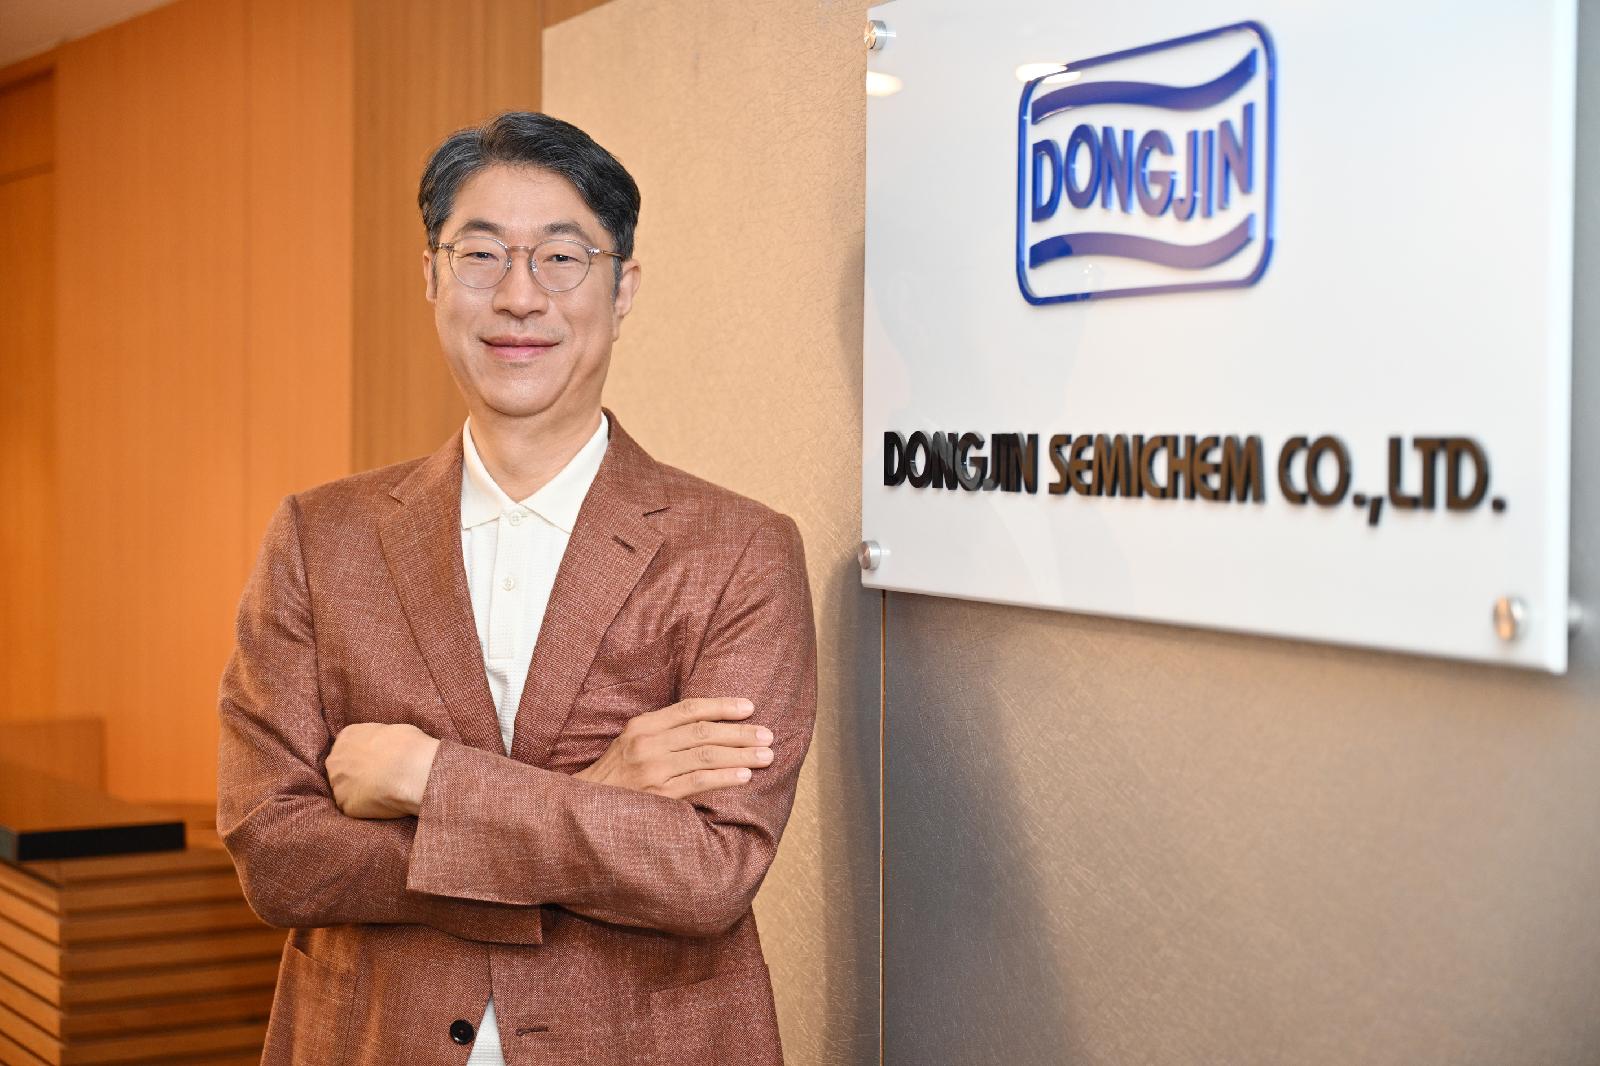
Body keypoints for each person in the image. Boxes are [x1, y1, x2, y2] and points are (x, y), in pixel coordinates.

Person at [217, 111, 816, 1066]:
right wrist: (595, 795)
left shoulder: (740, 550)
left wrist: (425, 780)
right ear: (431, 276)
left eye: (562, 259)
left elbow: (709, 870)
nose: (520, 296)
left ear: (623, 287)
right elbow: (277, 855)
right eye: (482, 254)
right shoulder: (319, 538)